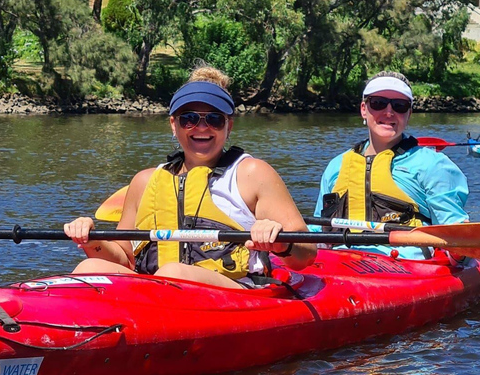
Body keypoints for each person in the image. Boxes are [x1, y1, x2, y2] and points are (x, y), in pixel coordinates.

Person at [64, 66, 315, 288]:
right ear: (174, 125)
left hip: (231, 293)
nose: (202, 127)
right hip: (157, 292)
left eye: (214, 119)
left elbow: (307, 254)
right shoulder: (144, 181)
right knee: (90, 268)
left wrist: (278, 240)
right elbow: (125, 258)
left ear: (229, 125)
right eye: (189, 119)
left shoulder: (252, 173)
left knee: (173, 273)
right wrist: (91, 240)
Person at [313, 71, 469, 260]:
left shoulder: (433, 165)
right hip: (339, 261)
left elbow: (451, 228)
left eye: (400, 106)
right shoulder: (336, 167)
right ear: (364, 109)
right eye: (378, 103)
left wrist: (460, 247)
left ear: (409, 114)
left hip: (406, 266)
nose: (389, 112)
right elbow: (317, 229)